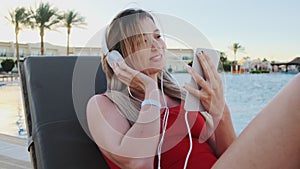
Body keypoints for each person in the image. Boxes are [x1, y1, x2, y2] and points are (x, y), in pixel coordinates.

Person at [87, 8, 300, 169]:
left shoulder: (182, 96)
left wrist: (220, 112)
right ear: (118, 57)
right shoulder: (103, 105)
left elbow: (227, 152)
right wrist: (149, 89)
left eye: (157, 36)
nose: (156, 45)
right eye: (142, 39)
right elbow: (138, 163)